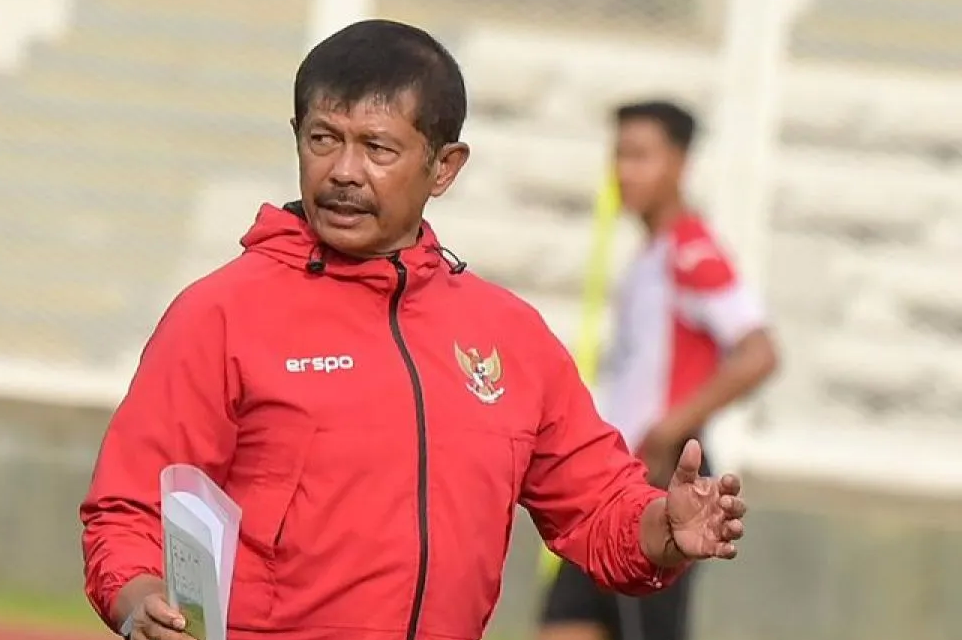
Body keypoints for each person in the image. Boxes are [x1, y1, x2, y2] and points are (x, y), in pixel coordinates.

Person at [81, 22, 748, 640]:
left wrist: (663, 526)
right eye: (323, 139)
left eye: (376, 147)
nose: (343, 171)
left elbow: (597, 505)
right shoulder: (220, 314)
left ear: (445, 167)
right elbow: (127, 508)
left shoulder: (507, 335)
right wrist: (140, 598)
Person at [538, 101, 779, 640]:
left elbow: (759, 352)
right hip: (612, 482)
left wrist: (669, 431)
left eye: (641, 156)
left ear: (679, 163)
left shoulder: (691, 251)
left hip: (661, 481)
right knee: (563, 623)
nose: (624, 170)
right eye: (619, 155)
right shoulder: (650, 255)